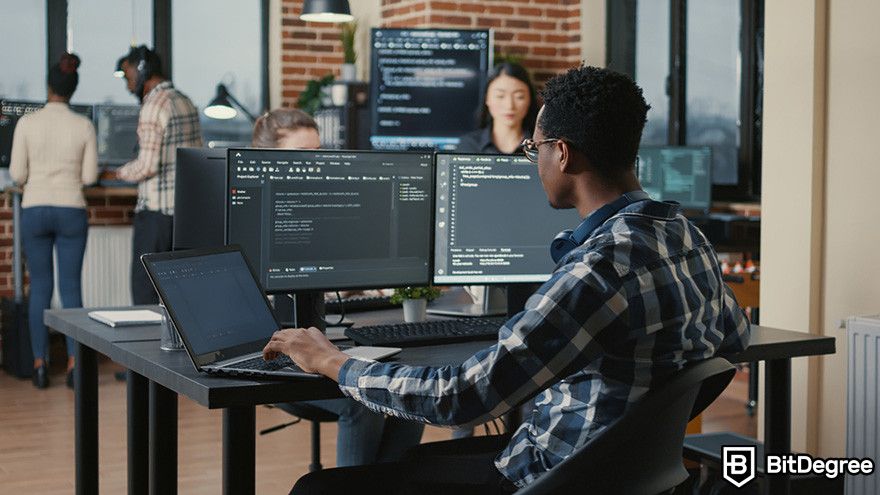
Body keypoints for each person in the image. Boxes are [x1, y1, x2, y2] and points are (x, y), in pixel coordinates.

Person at [263, 66, 752, 494]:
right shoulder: (684, 234)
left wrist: (333, 361)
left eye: (533, 149)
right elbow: (733, 340)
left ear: (562, 154)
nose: (532, 160)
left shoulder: (599, 268)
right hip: (622, 471)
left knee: (317, 487)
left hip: (550, 478)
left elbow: (460, 398)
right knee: (406, 464)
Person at [253, 108, 425, 467]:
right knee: (362, 401)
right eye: (303, 158)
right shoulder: (256, 219)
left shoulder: (330, 209)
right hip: (279, 361)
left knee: (403, 387)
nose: (316, 168)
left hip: (326, 347)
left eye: (319, 155)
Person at [9, 53, 98, 389]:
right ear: (73, 90)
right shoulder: (83, 125)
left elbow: (18, 173)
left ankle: (40, 364)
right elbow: (88, 177)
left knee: (40, 290)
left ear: (49, 87)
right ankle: (75, 364)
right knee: (71, 289)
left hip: (34, 209)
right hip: (71, 208)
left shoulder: (28, 124)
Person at [108, 45, 202, 304]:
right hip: (185, 214)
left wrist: (116, 174)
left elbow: (146, 166)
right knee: (181, 295)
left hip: (156, 215)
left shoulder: (153, 105)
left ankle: (144, 346)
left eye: (128, 78)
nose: (128, 86)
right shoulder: (185, 101)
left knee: (145, 292)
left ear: (142, 72)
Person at [457, 62, 539, 154]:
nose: (509, 105)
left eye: (519, 96)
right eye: (500, 96)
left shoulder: (540, 146)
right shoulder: (469, 146)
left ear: (530, 99)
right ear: (487, 99)